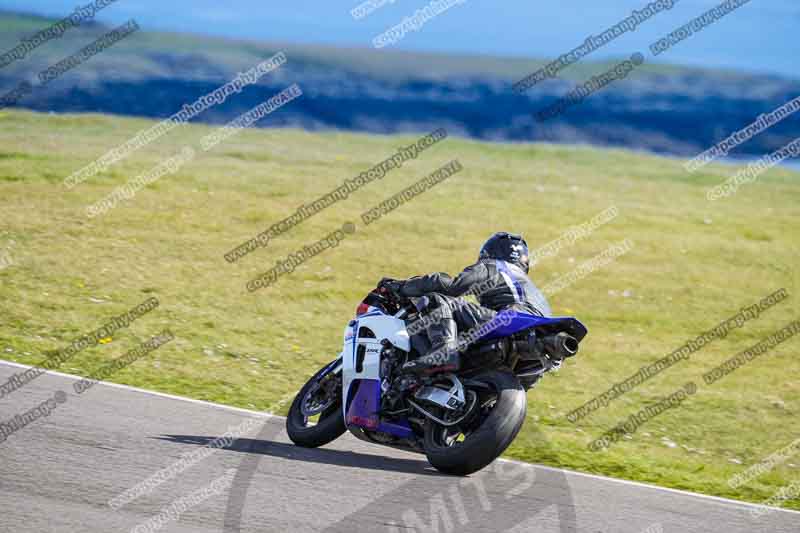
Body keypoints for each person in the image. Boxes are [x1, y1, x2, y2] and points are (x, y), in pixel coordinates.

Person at [381, 232, 551, 375]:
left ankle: (443, 352)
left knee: (435, 299)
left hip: (512, 320)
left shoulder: (494, 265)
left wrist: (401, 287)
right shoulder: (532, 289)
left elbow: (453, 286)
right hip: (542, 339)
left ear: (488, 253)